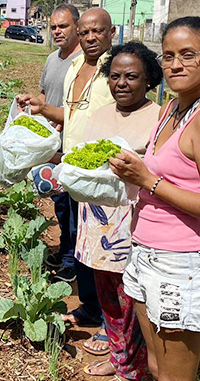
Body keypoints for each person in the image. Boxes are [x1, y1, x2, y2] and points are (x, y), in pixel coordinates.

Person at [109, 16, 200, 381]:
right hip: (146, 255)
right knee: (155, 366)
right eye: (168, 56)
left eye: (187, 54)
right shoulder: (172, 109)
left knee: (173, 377)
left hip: (183, 268)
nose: (175, 64)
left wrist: (148, 180)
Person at [17, 7, 115, 342]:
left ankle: (109, 320)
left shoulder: (116, 69)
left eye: (96, 31)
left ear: (111, 33)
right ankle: (89, 305)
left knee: (105, 248)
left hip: (103, 175)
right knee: (80, 240)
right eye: (86, 32)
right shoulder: (74, 67)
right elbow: (71, 116)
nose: (90, 37)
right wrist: (43, 108)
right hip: (74, 169)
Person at [76, 42, 161, 378]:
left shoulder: (157, 117)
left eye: (131, 77)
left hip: (131, 222)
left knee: (132, 298)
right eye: (115, 76)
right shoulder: (99, 114)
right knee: (107, 294)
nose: (121, 83)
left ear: (149, 80)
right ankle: (117, 353)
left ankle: (132, 365)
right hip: (95, 221)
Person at [37, 4, 82, 284]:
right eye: (54, 27)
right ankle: (66, 250)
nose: (57, 32)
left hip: (73, 145)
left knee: (74, 205)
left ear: (76, 27)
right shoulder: (53, 59)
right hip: (53, 146)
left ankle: (72, 260)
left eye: (63, 26)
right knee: (61, 202)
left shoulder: (83, 63)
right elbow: (44, 94)